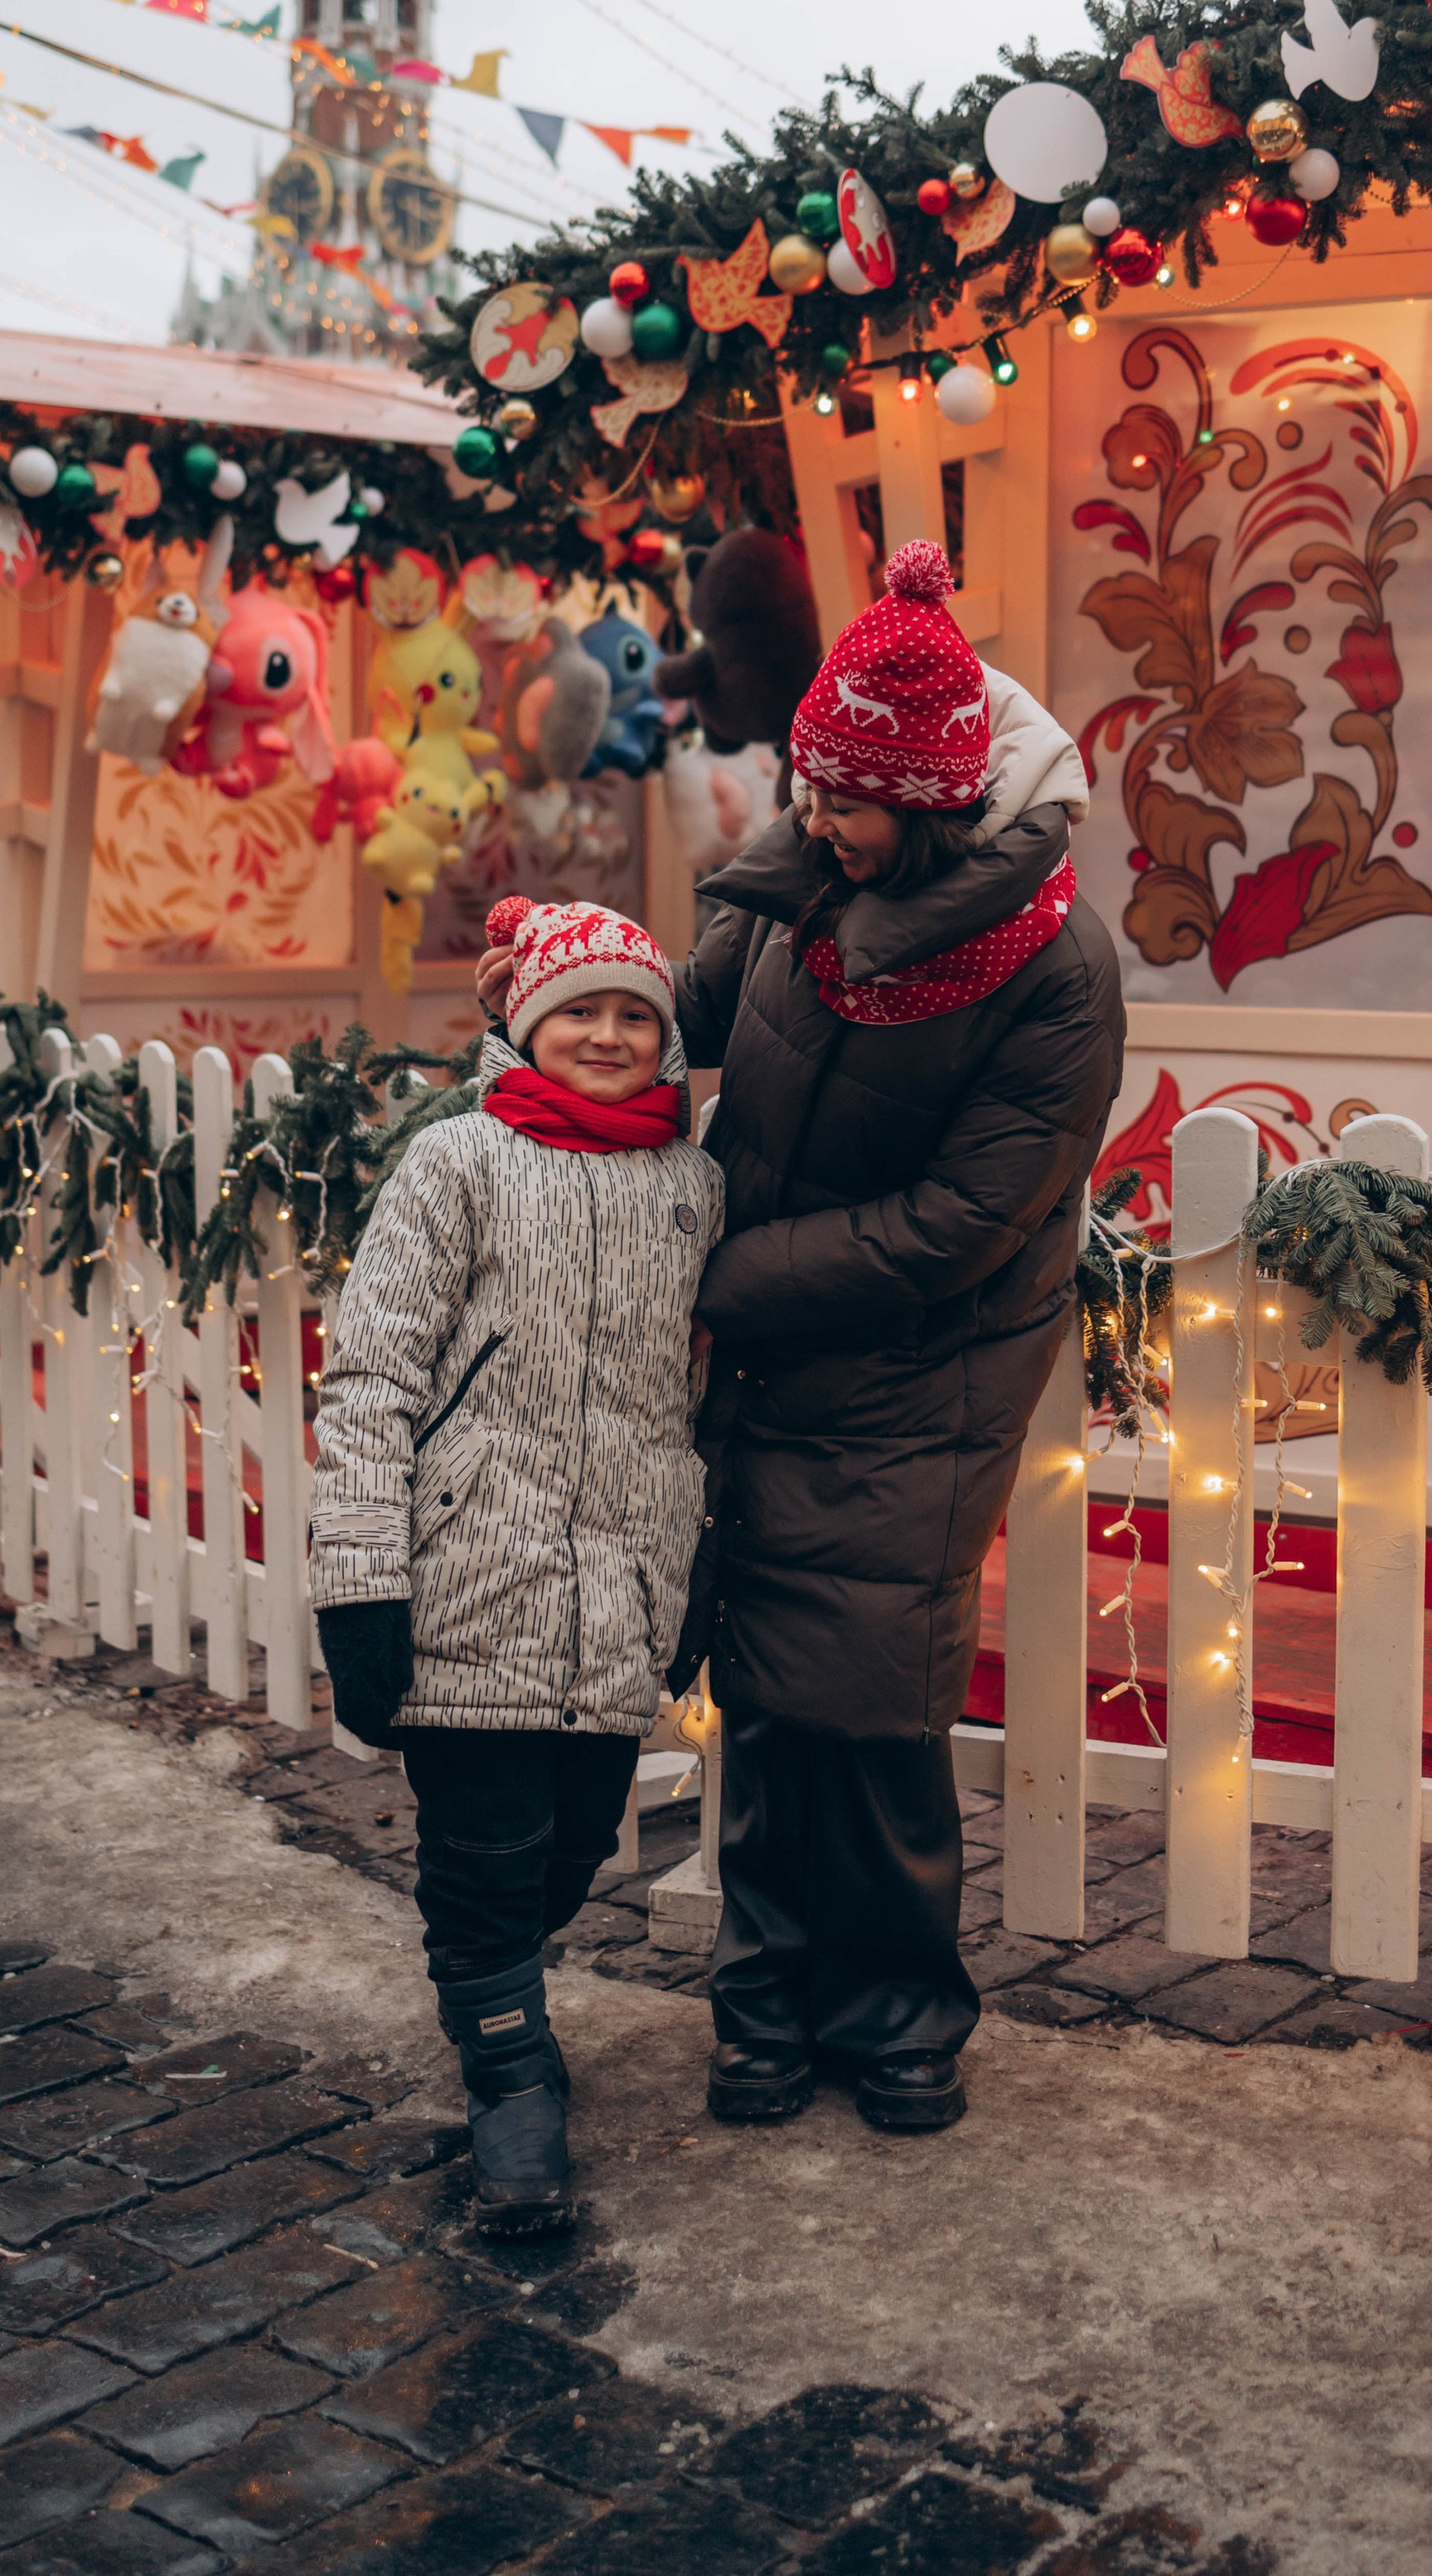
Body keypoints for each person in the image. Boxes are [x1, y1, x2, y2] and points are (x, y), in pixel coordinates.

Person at [477, 541, 1124, 2138]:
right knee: (761, 1686)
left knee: (874, 1702)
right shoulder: (815, 880)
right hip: (770, 1344)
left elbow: (961, 1225)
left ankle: (901, 2018)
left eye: (839, 800)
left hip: (925, 1365)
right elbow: (697, 1009)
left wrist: (718, 1271)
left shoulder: (1055, 974)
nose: (808, 817)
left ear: (933, 799)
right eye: (809, 791)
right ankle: (764, 2008)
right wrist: (576, 1002)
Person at [310, 902, 722, 2235]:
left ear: (666, 1036)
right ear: (522, 1021)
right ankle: (508, 2076)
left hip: (620, 1591)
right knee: (486, 1859)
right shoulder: (456, 1166)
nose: (607, 1033)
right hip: (468, 1575)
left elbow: (700, 1396)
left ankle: (496, 1987)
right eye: (580, 1009)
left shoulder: (693, 1186)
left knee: (574, 1848)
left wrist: (694, 1562)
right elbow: (371, 1378)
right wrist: (362, 1581)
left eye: (635, 1013)